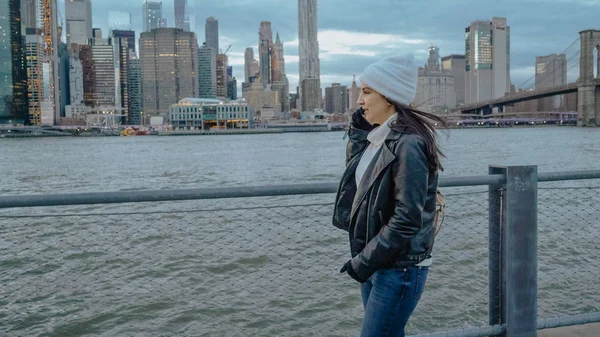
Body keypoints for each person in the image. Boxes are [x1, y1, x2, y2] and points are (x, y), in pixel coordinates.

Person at [332, 53, 445, 337]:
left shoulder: (409, 143)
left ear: (390, 98)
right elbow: (357, 184)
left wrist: (363, 262)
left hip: (399, 268)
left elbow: (407, 218)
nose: (360, 100)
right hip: (378, 261)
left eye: (367, 92)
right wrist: (358, 133)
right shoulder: (379, 139)